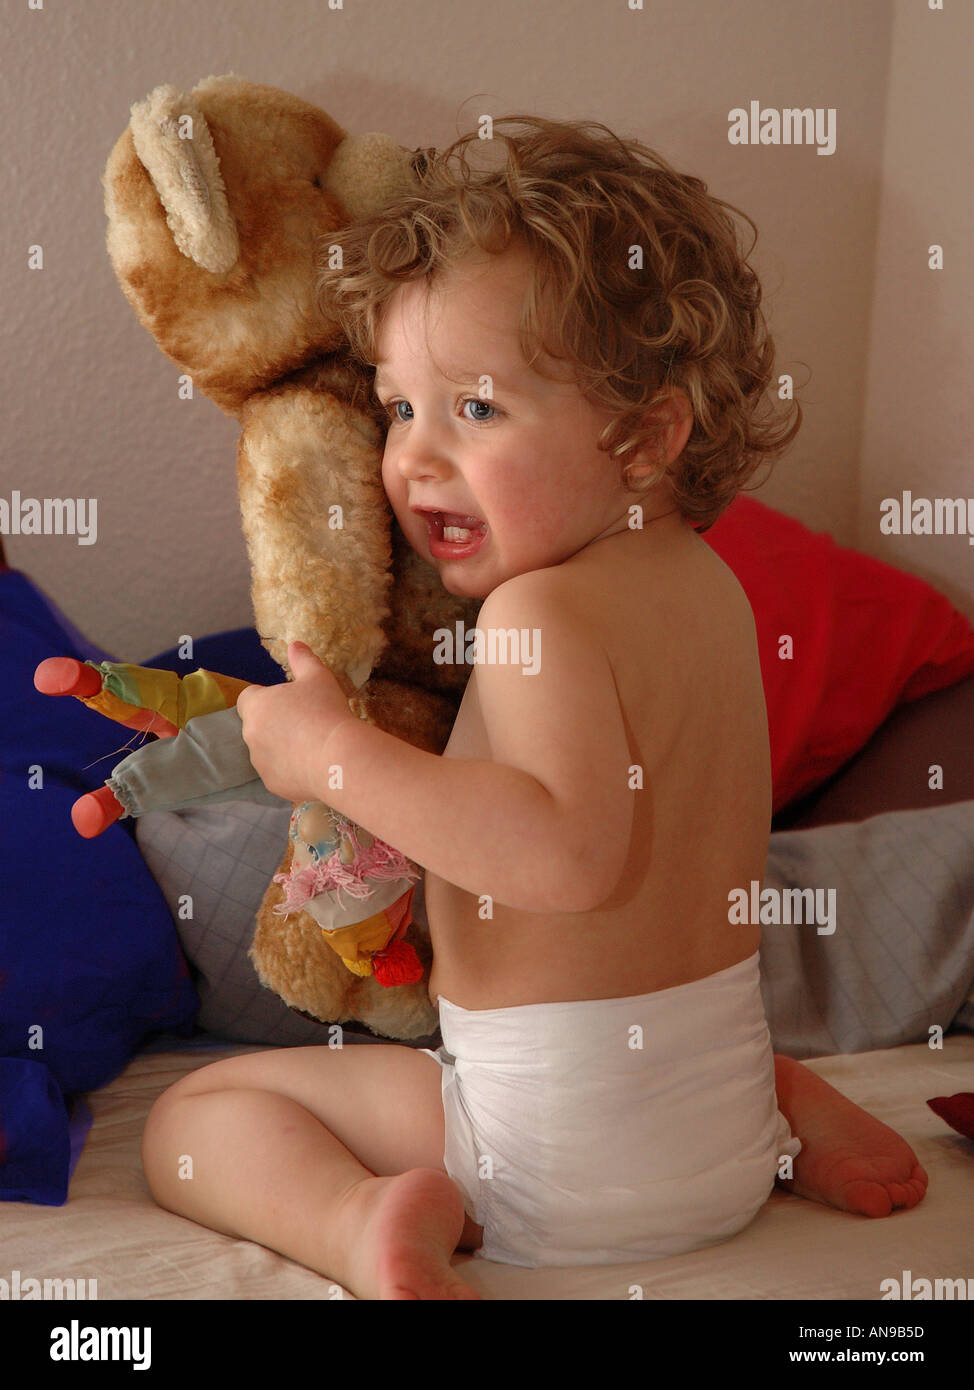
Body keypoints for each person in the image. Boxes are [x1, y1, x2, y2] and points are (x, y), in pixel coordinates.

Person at [141, 116, 927, 1299]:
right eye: (400, 408)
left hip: (549, 1162)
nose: (411, 461)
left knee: (199, 1114)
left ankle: (358, 1223)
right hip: (708, 1135)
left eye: (477, 410)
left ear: (645, 435)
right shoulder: (711, 591)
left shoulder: (534, 619)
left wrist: (330, 756)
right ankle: (791, 1118)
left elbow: (562, 851)